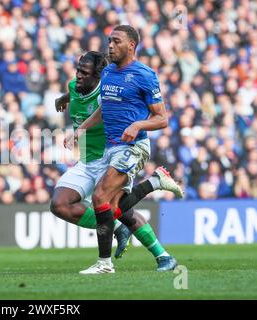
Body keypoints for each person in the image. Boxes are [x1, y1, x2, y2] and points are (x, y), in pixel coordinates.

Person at [68, 26, 183, 274]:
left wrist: (138, 124)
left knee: (99, 197)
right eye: (109, 40)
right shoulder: (108, 72)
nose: (110, 45)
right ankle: (155, 185)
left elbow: (161, 118)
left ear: (131, 45)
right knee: (112, 208)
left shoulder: (144, 74)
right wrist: (82, 129)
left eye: (116, 41)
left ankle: (104, 264)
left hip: (133, 146)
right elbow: (103, 110)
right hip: (112, 148)